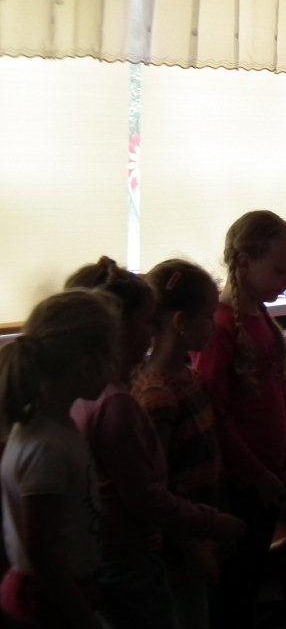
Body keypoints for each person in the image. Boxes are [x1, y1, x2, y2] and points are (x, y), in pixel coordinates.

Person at [66, 258, 243, 629]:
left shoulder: (131, 390)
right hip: (147, 553)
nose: (152, 331)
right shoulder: (133, 400)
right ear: (119, 330)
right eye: (148, 322)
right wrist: (204, 533)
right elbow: (151, 494)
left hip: (154, 546)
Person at [194, 210, 286, 627]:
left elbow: (282, 397)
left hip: (270, 476)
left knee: (249, 581)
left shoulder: (261, 320)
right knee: (233, 588)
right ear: (243, 263)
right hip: (240, 483)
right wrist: (257, 475)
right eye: (280, 270)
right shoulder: (220, 328)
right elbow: (216, 415)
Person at [0, 290, 119, 629]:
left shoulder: (56, 428)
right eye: (113, 354)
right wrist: (83, 617)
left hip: (62, 592)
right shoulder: (46, 448)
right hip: (49, 601)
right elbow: (42, 551)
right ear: (88, 365)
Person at [134, 259, 226, 629]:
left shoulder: (189, 378)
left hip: (199, 529)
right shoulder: (158, 397)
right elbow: (157, 488)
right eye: (208, 316)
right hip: (177, 548)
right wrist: (192, 548)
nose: (214, 325)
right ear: (181, 322)